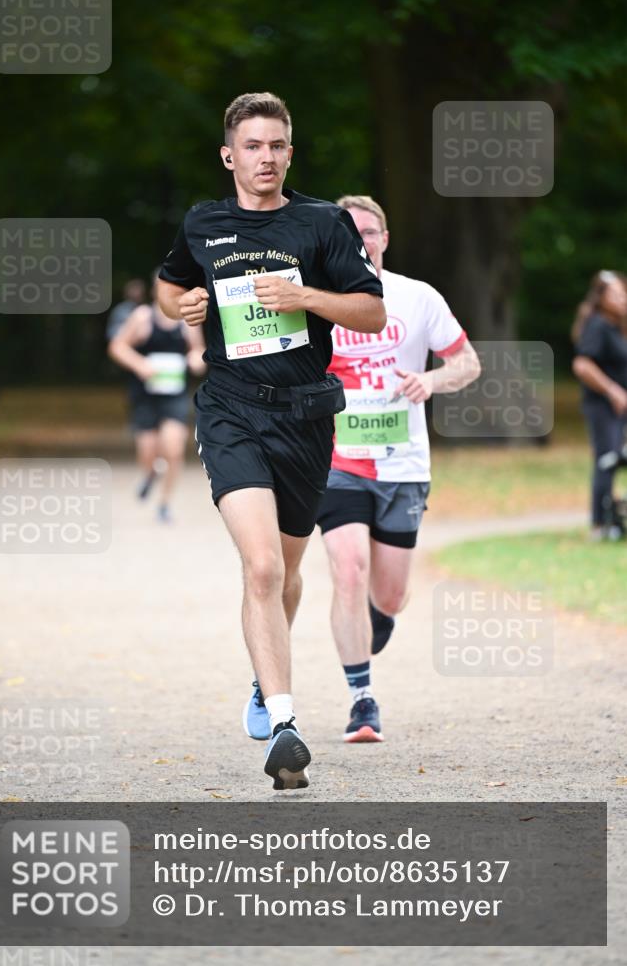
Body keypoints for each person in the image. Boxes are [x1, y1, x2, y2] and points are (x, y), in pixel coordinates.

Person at [157, 92, 386, 789]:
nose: (264, 157)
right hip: (230, 408)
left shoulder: (321, 223)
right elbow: (171, 288)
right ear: (229, 156)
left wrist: (307, 299)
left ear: (290, 152)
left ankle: (264, 678)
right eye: (251, 146)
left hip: (306, 417)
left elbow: (371, 311)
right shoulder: (204, 223)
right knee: (259, 568)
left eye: (276, 145)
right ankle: (285, 724)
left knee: (286, 574)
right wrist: (182, 304)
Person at [315, 195, 481, 742]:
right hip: (338, 462)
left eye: (370, 231)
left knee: (388, 596)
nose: (361, 240)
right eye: (350, 232)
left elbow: (466, 363)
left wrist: (431, 382)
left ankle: (371, 618)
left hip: (404, 464)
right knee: (349, 569)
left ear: (385, 238)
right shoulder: (316, 301)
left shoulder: (417, 297)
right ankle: (362, 700)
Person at [108, 270, 206, 523]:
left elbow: (198, 350)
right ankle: (150, 474)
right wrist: (139, 363)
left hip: (174, 394)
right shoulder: (142, 317)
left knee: (173, 449)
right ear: (157, 291)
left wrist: (196, 361)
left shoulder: (187, 320)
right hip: (145, 394)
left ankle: (164, 503)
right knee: (148, 452)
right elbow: (118, 346)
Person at [571, 270, 627, 540]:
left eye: (623, 293)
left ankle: (613, 518)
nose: (622, 298)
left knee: (615, 459)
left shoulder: (616, 327)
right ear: (601, 297)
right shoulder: (597, 325)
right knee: (606, 460)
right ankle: (599, 524)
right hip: (603, 407)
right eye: (616, 293)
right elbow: (582, 364)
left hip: (619, 408)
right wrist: (613, 391)